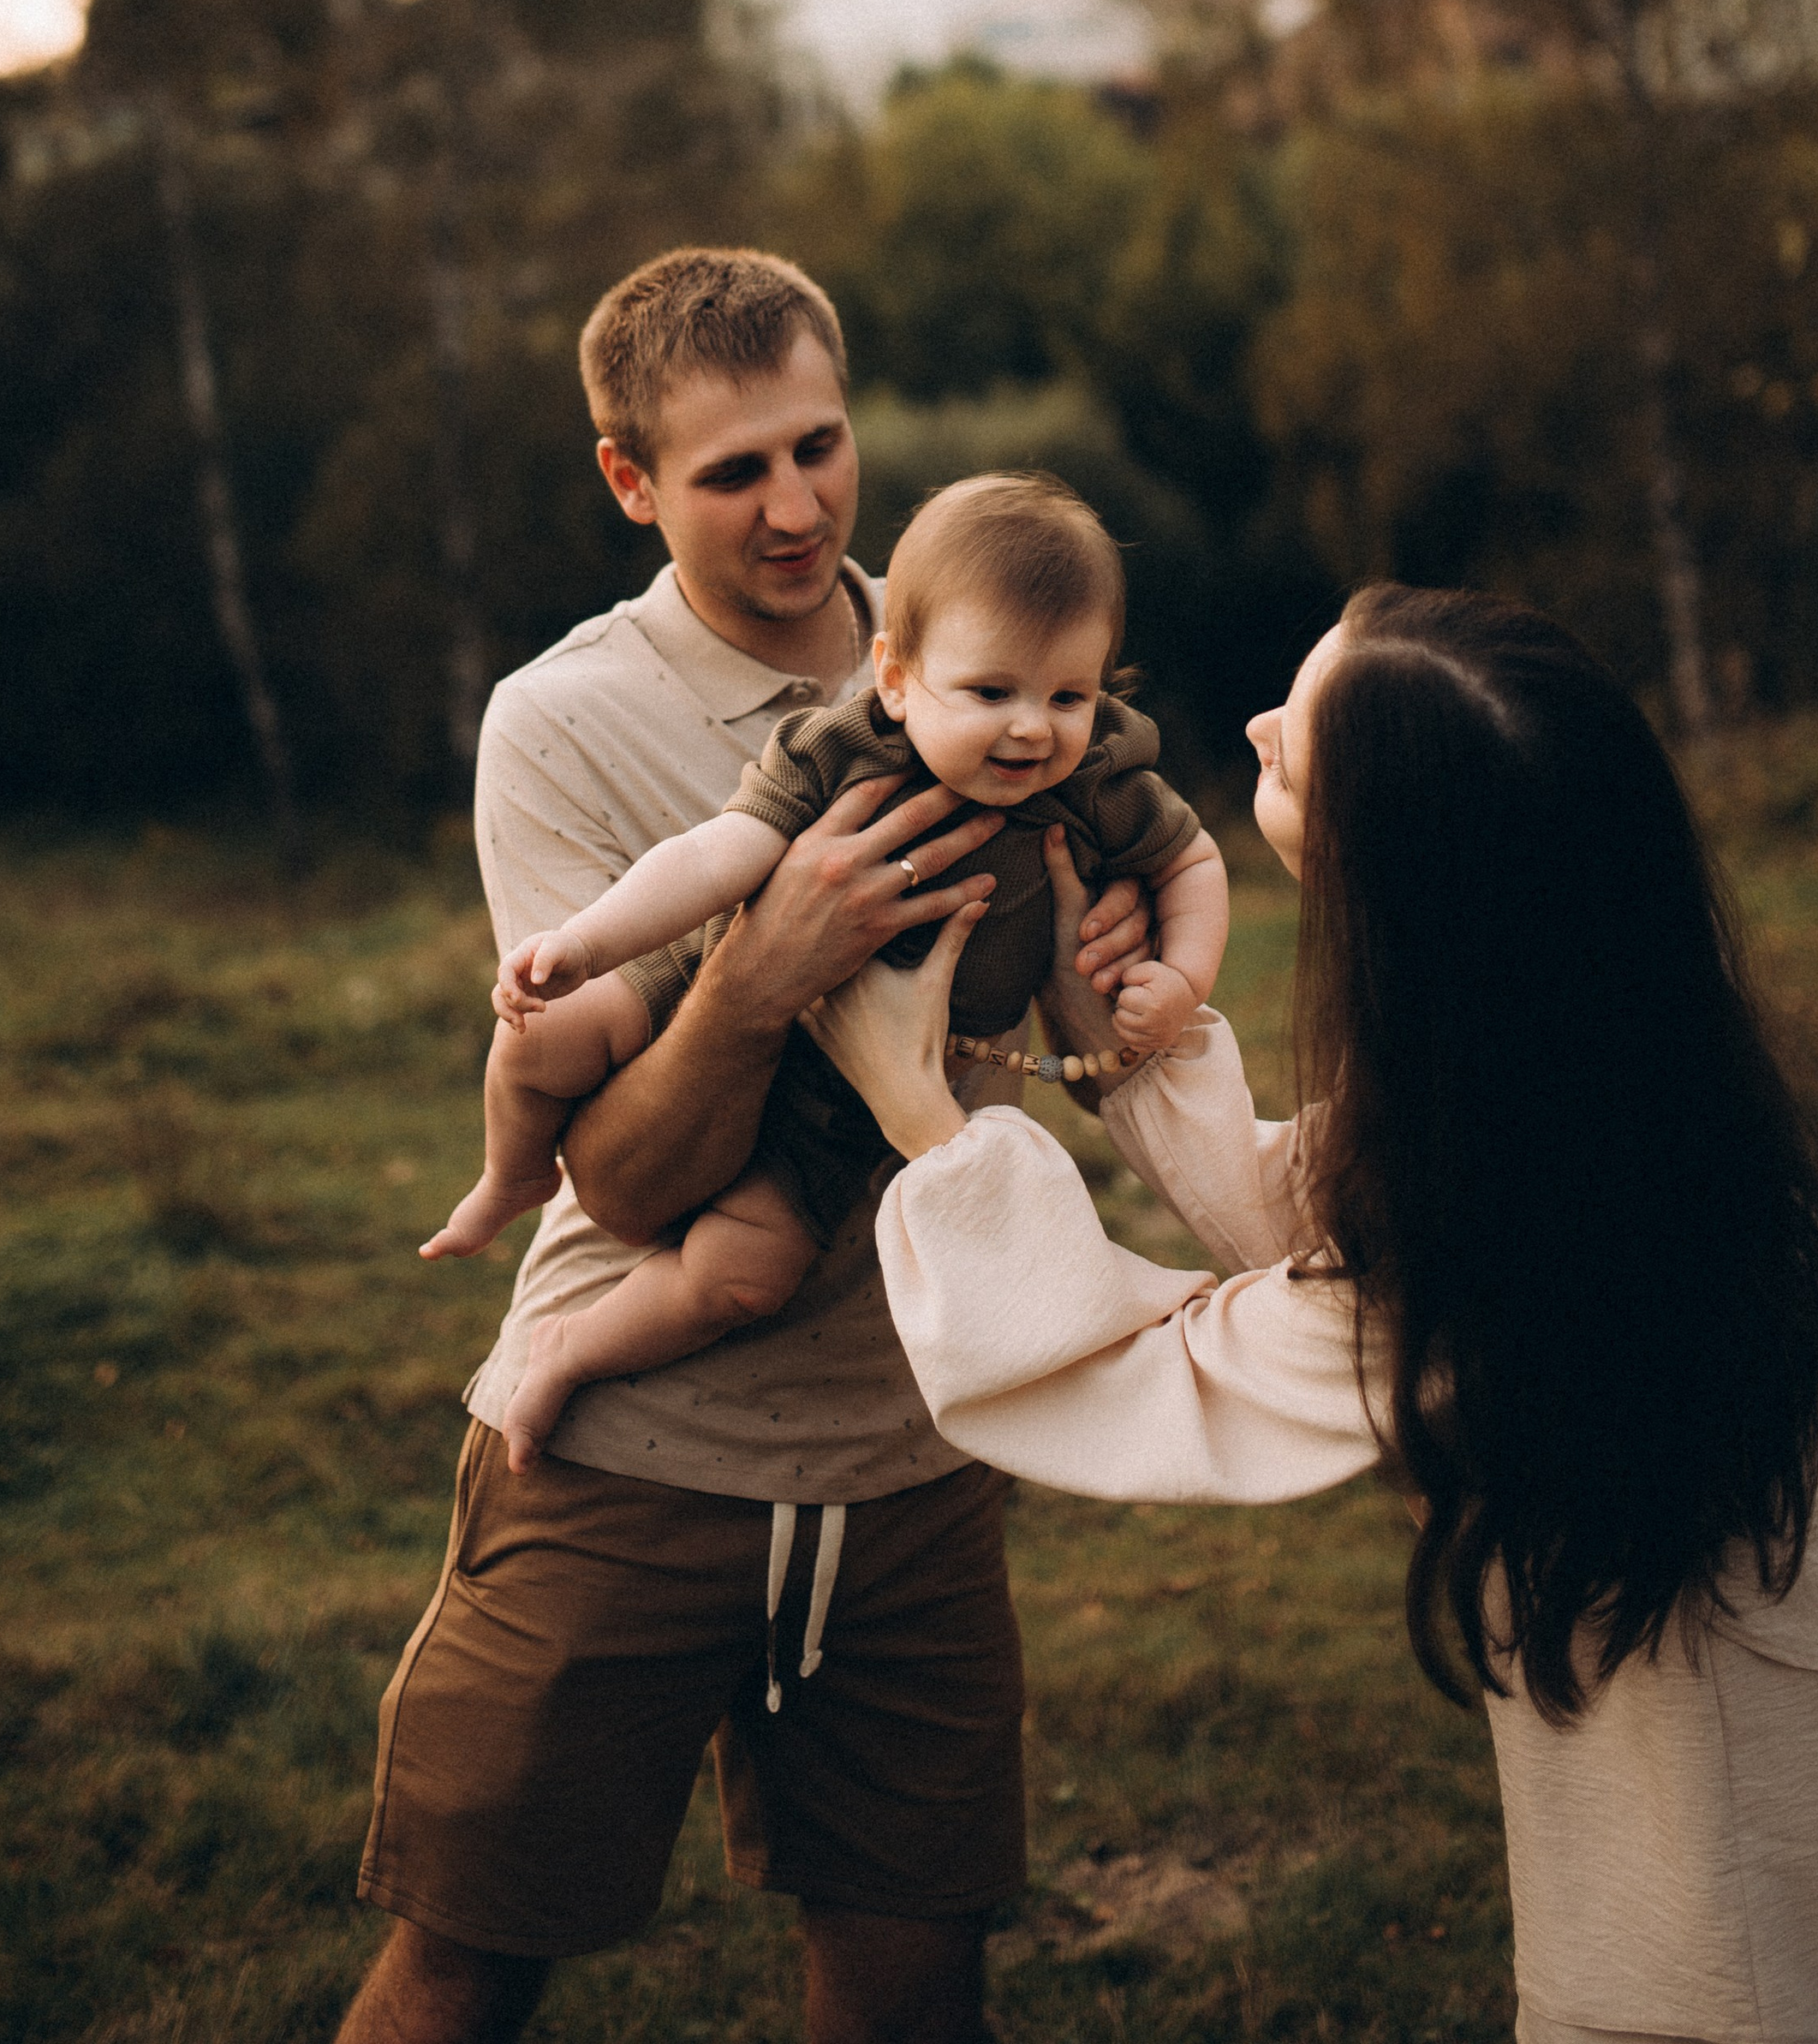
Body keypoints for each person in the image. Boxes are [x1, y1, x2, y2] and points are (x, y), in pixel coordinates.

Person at [813, 586, 1818, 2043]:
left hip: (1763, 1817)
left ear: (1383, 874)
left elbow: (1147, 1369)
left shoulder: (1513, 1273)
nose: (1251, 727)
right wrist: (1121, 1030)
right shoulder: (1607, 1069)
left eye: (1292, 750)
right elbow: (1325, 1213)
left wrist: (924, 1116)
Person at [340, 247, 1155, 2044]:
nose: (795, 505)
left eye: (819, 443)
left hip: (918, 1451)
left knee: (912, 1972)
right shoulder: (560, 724)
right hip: (633, 1456)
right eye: (731, 472)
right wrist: (761, 971)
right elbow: (622, 1183)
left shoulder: (989, 649)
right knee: (469, 1954)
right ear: (630, 481)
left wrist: (1128, 976)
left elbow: (1099, 995)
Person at [424, 469, 1227, 1469]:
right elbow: (717, 854)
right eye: (990, 692)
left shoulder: (1099, 778)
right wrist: (585, 944)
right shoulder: (841, 749)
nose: (1032, 725)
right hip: (706, 966)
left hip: (843, 1111)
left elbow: (1191, 859)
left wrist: (1182, 977)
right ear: (895, 678)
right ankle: (508, 1174)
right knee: (541, 1034)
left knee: (741, 1275)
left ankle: (569, 1348)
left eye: (1069, 693)